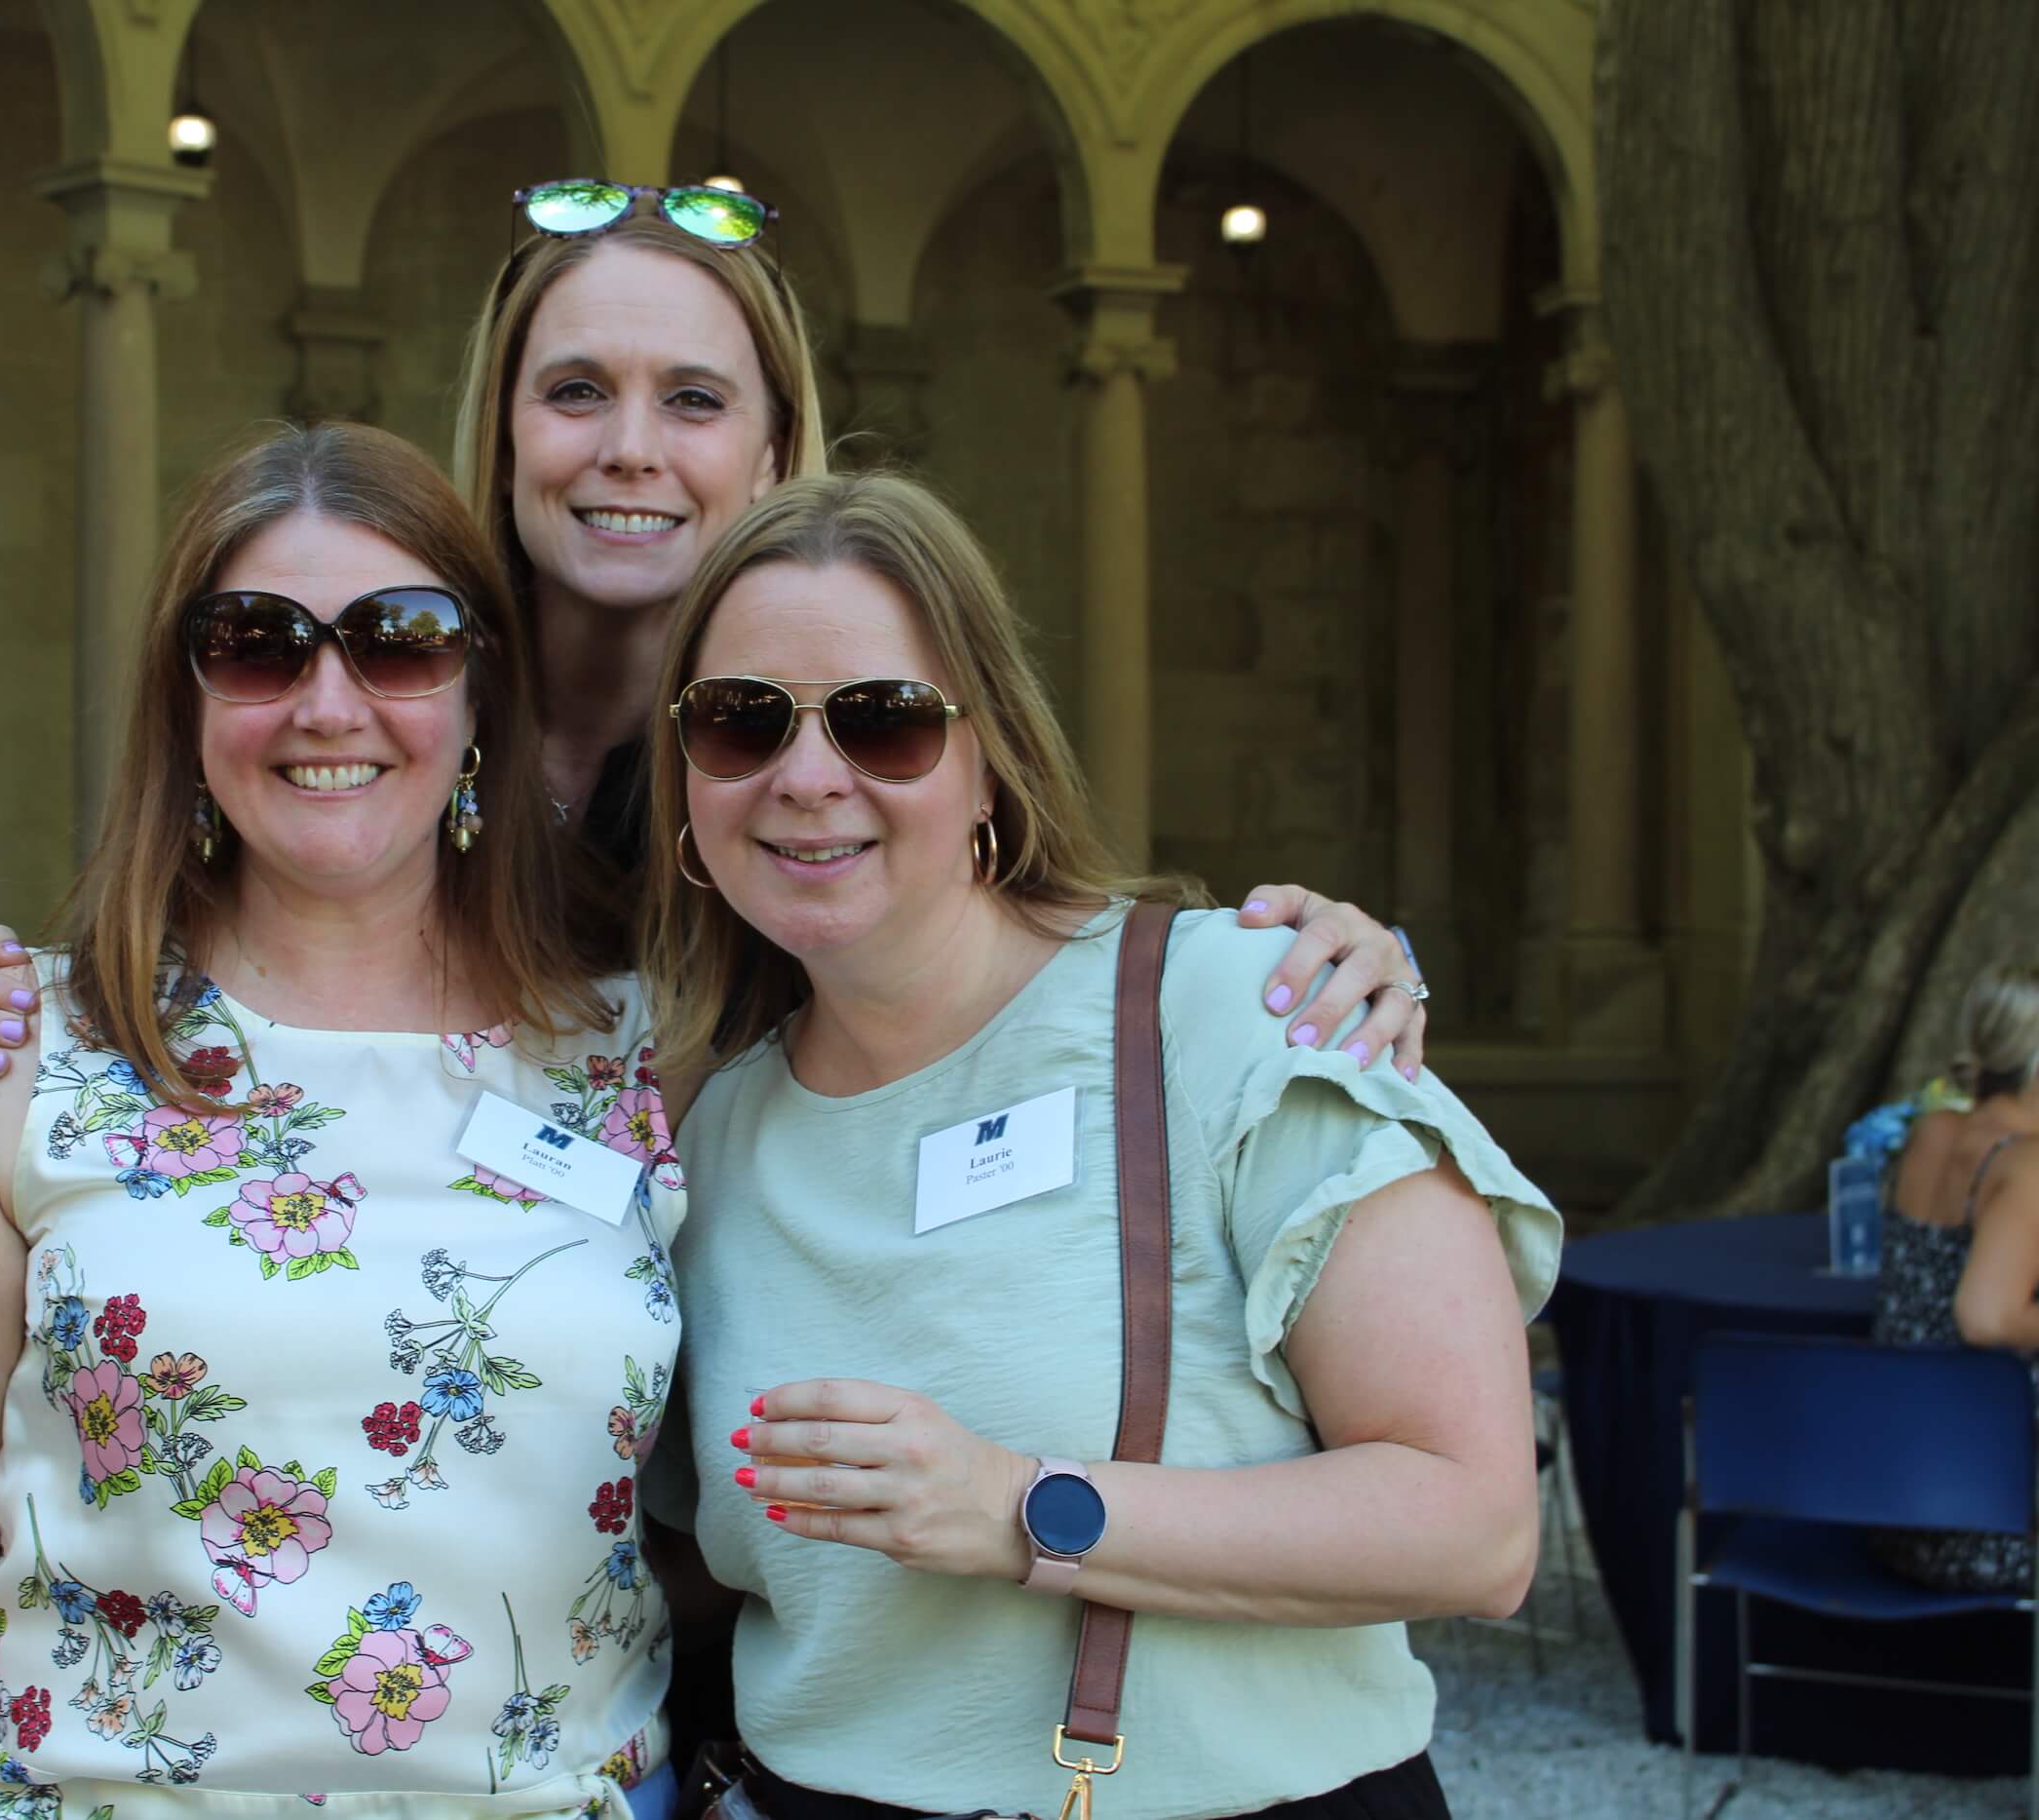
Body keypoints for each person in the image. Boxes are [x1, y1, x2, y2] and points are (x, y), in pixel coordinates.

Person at [0, 181, 1435, 1124]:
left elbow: (1013, 935)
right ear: (504, 423)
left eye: (691, 399)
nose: (628, 450)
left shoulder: (825, 745)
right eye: (576, 391)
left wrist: (1300, 968)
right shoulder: (393, 698)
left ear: (771, 446)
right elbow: (173, 936)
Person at [0, 422, 690, 1820]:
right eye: (260, 641)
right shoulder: (9, 1051)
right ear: (185, 698)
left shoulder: (638, 1051)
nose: (329, 700)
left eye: (399, 638)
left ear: (479, 697)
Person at [636, 474, 1559, 1820]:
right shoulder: (710, 1134)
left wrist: (1022, 1506)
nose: (809, 775)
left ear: (990, 756)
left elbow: (1476, 1526)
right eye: (741, 721)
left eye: (884, 721)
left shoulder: (1239, 1008)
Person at [1869, 961, 2039, 1591]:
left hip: (1886, 1497)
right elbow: (1986, 1316)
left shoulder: (1932, 1131)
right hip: (1987, 1517)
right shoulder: (2026, 1163)